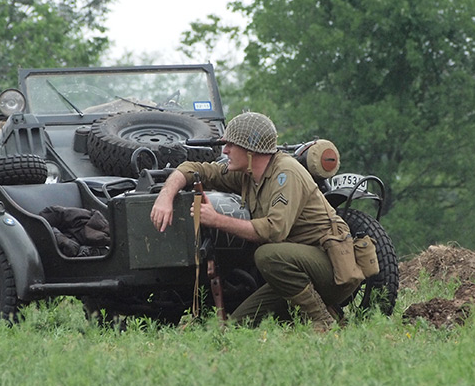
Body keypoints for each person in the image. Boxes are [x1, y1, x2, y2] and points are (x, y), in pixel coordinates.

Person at [149, 112, 359, 330]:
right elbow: (196, 169)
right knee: (237, 327)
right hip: (293, 271)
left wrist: (216, 220)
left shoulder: (286, 173)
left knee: (267, 255)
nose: (225, 150)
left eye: (231, 145)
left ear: (250, 151)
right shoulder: (248, 174)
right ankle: (331, 313)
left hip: (331, 268)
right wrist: (165, 196)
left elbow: (273, 231)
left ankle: (321, 319)